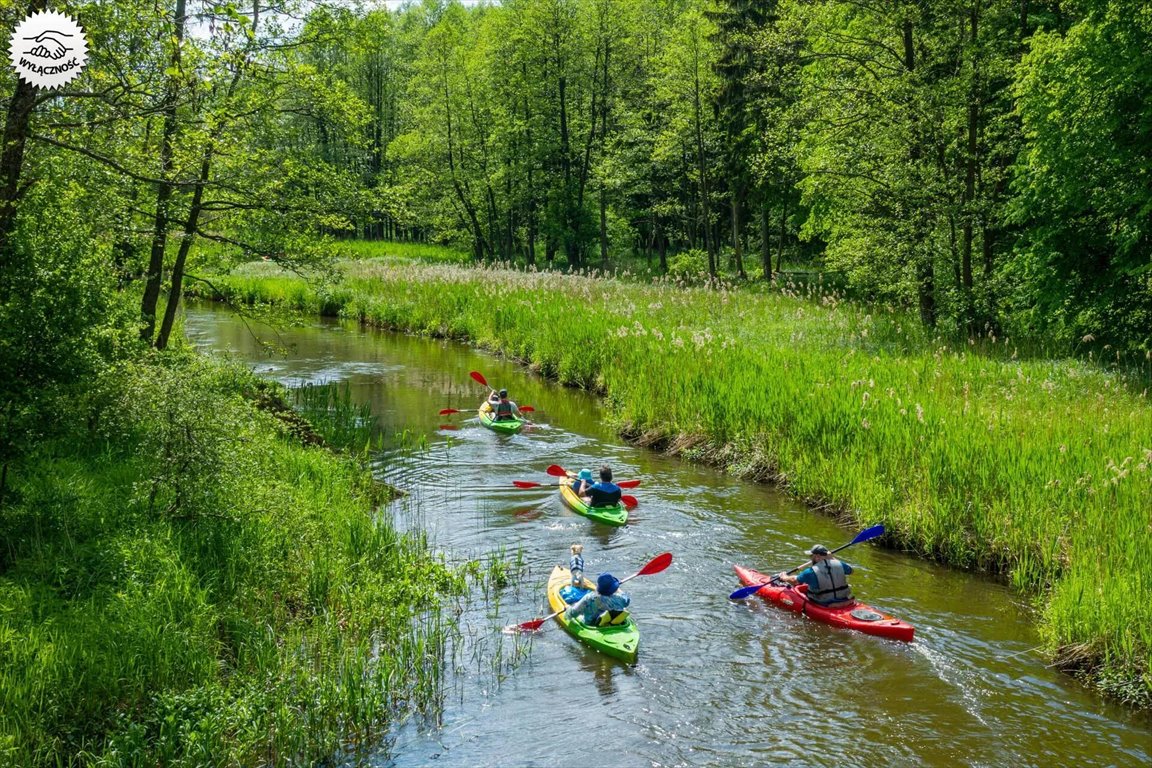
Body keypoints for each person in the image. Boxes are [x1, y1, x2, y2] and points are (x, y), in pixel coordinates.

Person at [776, 545, 855, 607]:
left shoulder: (811, 572)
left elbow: (795, 581)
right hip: (844, 600)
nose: (810, 558)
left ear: (817, 557)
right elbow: (851, 571)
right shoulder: (840, 564)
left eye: (811, 556)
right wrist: (832, 558)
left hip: (824, 603)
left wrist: (785, 577)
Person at [565, 573, 631, 626]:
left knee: (576, 608)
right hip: (613, 624)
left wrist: (568, 608)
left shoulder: (590, 598)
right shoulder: (619, 599)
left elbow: (572, 614)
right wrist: (618, 589)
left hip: (592, 625)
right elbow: (626, 599)